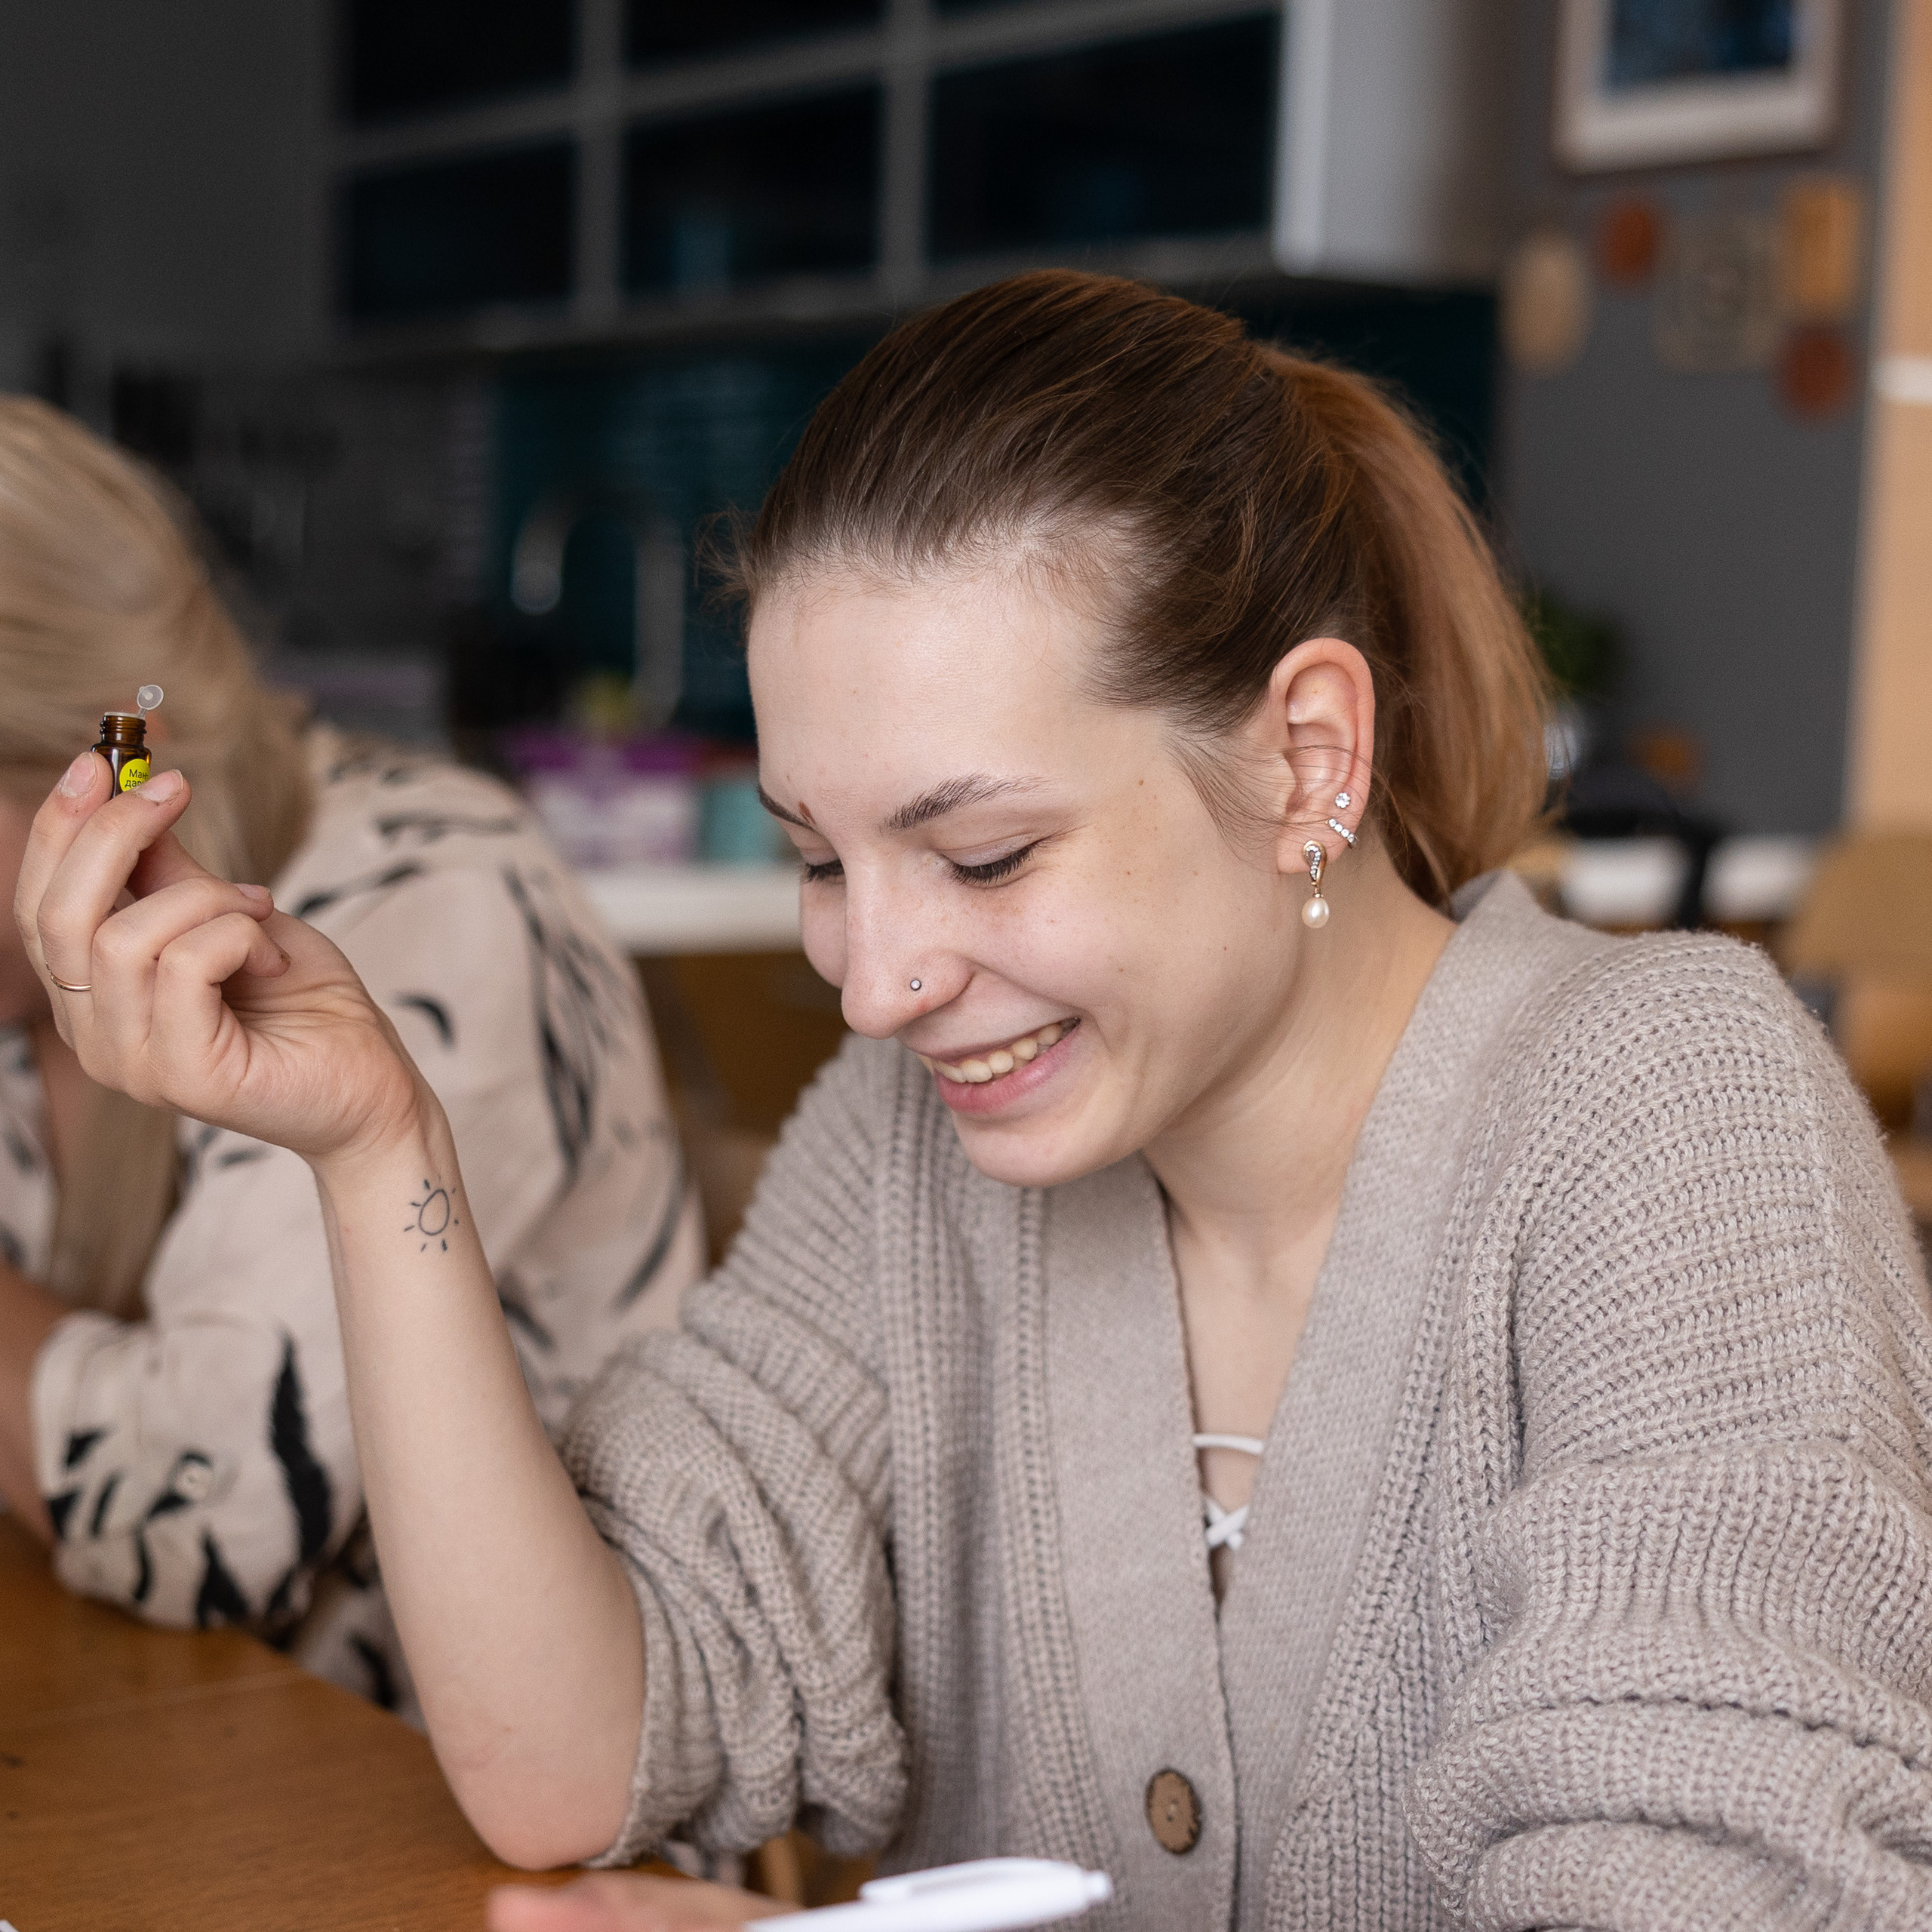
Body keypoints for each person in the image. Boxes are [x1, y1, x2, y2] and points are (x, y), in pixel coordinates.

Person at [18, 275, 1932, 1932]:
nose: (872, 981)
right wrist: (377, 1147)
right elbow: (573, 1763)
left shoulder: (1666, 1112)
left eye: (986, 852)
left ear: (1305, 757)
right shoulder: (909, 1142)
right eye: (823, 859)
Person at [0, 398, 701, 1718]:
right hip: (142, 1724)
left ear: (86, 778)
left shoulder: (434, 903)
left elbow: (205, 1512)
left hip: (445, 1788)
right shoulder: (21, 991)